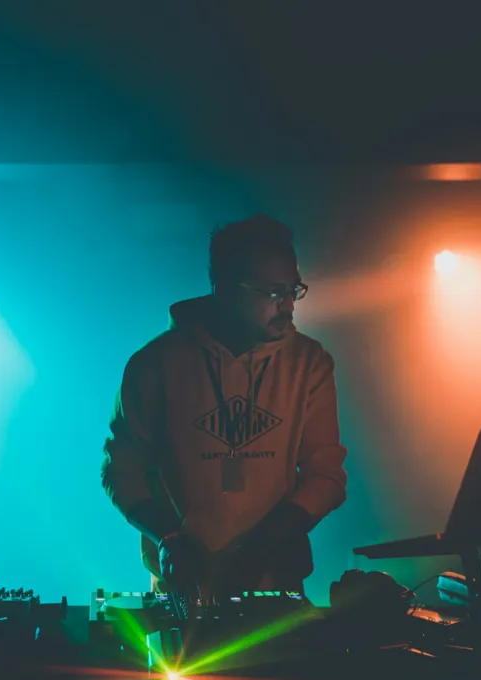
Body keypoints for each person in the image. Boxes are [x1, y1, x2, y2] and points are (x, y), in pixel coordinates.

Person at [101, 214, 347, 601]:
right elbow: (121, 469)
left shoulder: (309, 363)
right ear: (225, 290)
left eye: (292, 290)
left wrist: (269, 540)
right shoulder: (155, 365)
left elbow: (327, 474)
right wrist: (170, 538)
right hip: (183, 591)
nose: (287, 305)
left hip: (275, 589)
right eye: (272, 292)